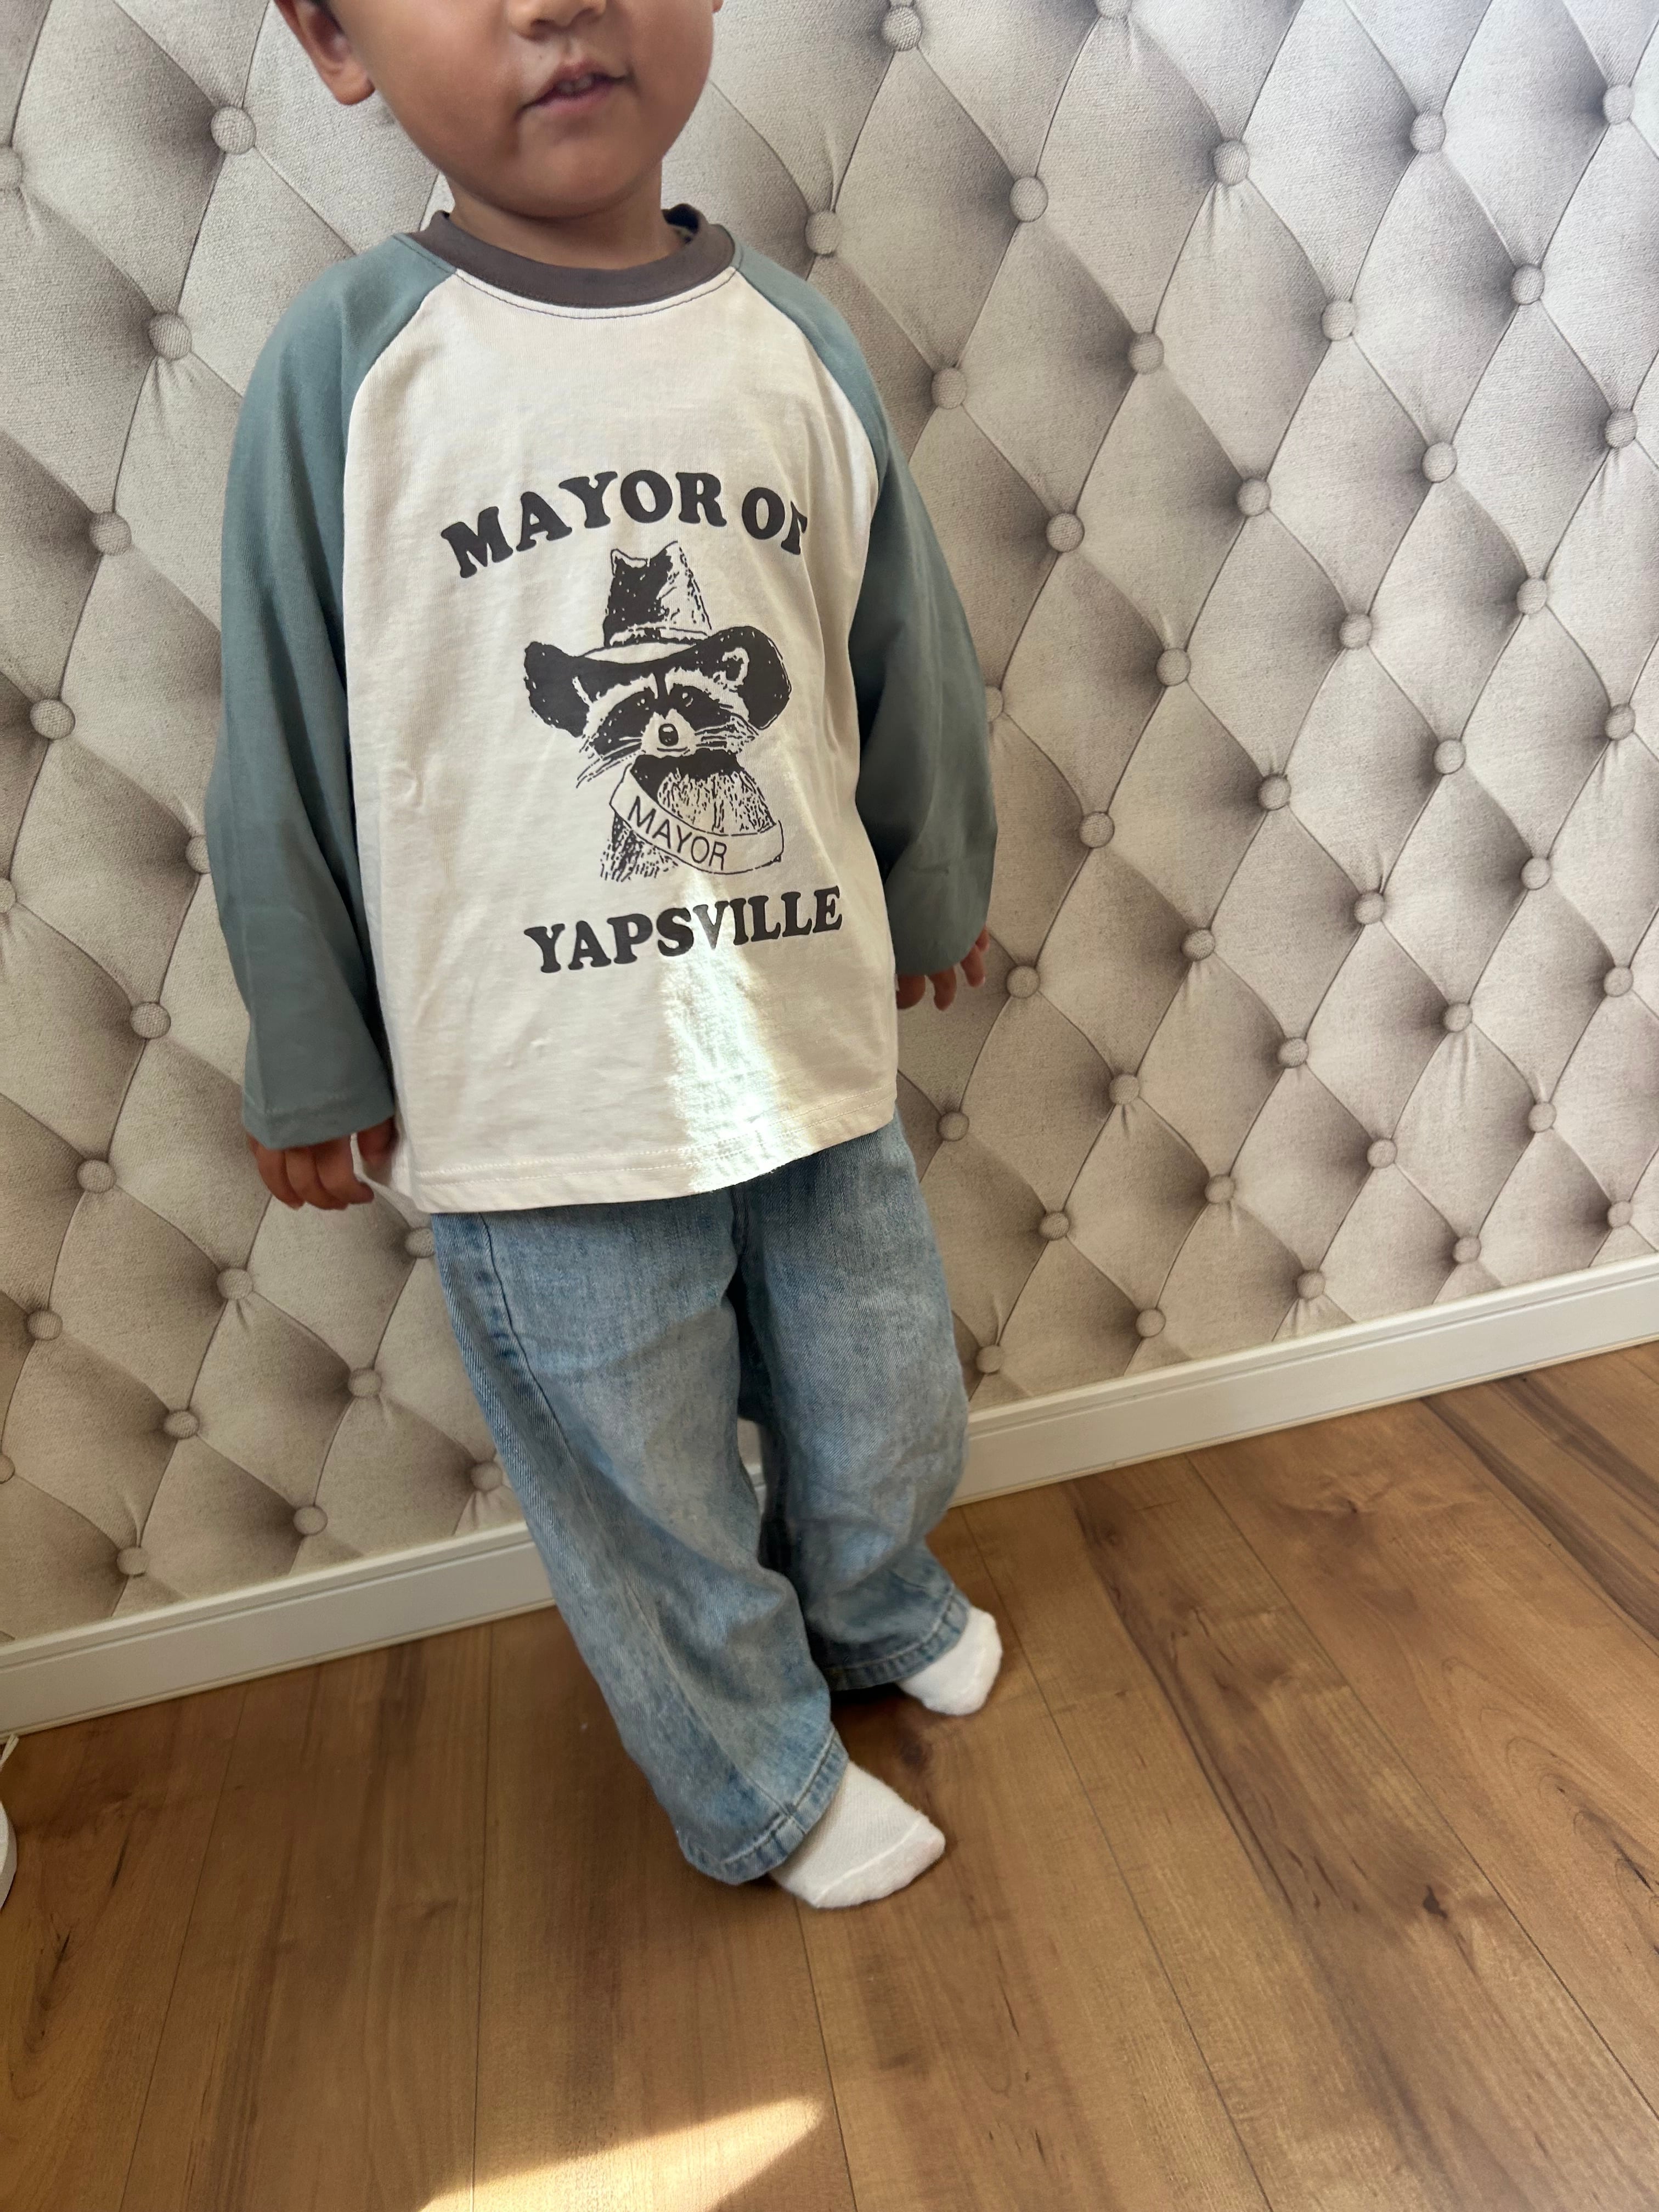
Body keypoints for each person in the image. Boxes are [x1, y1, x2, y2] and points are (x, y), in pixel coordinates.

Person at [206, 0, 998, 1909]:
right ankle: (756, 1773)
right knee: (643, 1479)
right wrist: (312, 1041)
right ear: (333, 38)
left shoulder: (788, 340)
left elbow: (898, 639)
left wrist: (933, 878)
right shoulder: (348, 369)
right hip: (529, 1097)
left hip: (801, 1026)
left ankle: (874, 1598)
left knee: (880, 1385)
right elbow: (285, 729)